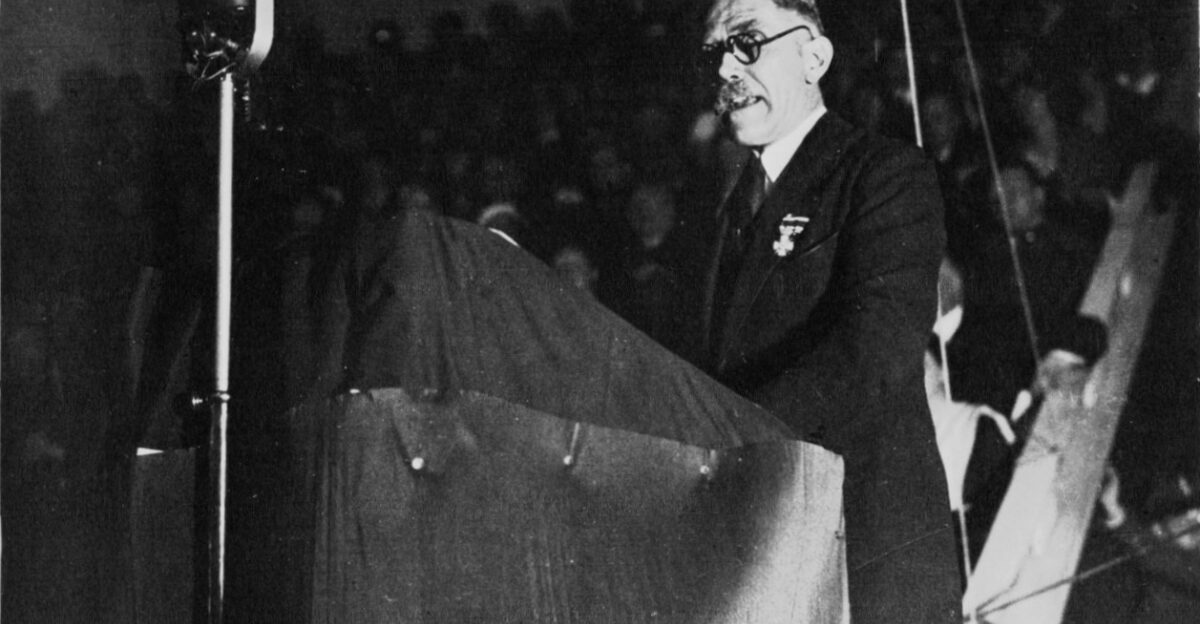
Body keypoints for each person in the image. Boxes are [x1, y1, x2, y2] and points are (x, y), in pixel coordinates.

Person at [694, 1, 961, 621]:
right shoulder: (721, 210)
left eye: (748, 42)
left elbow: (876, 354)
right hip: (764, 557)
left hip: (863, 563)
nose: (727, 68)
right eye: (715, 53)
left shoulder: (883, 174)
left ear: (814, 58)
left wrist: (724, 439)